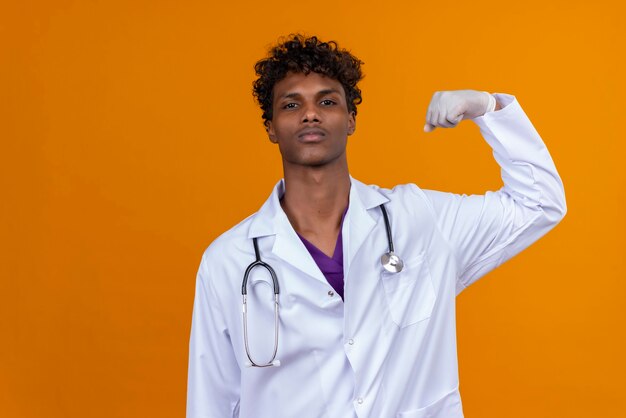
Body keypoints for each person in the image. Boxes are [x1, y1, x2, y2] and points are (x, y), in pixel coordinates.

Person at [186, 34, 566, 418]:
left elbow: (539, 203)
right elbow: (212, 402)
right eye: (291, 104)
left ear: (350, 120)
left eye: (327, 101)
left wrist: (487, 107)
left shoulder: (419, 220)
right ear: (271, 127)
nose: (310, 114)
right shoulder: (228, 261)